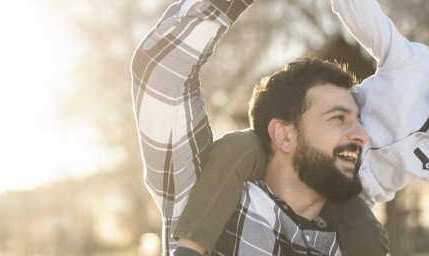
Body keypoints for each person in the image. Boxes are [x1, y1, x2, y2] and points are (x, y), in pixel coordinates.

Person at [172, 0, 429, 255]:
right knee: (237, 148)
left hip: (347, 192)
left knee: (368, 238)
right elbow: (372, 24)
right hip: (309, 148)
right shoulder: (415, 67)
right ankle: (189, 247)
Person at [131, 0, 387, 255]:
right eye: (338, 118)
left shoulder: (353, 243)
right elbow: (161, 72)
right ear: (284, 135)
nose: (362, 135)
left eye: (358, 121)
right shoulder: (206, 197)